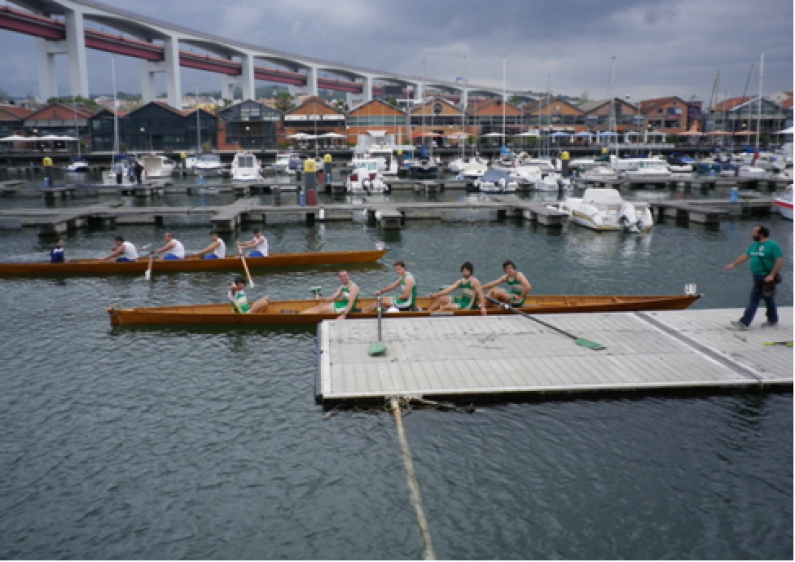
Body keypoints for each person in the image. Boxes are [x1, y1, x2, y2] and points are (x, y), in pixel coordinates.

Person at [725, 224, 784, 329]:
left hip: (765, 276)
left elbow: (779, 261)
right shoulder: (754, 245)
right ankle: (772, 320)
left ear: (761, 234)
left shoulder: (773, 245)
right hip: (756, 276)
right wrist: (733, 264)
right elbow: (745, 256)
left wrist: (772, 275)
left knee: (754, 299)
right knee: (768, 298)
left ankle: (744, 322)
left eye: (754, 232)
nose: (752, 234)